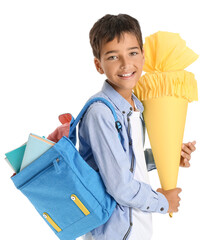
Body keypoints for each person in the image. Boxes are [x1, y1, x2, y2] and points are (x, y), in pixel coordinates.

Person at [49, 14, 196, 240]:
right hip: (115, 234)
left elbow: (127, 163)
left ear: (143, 55)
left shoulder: (135, 106)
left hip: (137, 228)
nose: (126, 64)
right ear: (99, 65)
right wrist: (163, 202)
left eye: (133, 53)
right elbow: (120, 186)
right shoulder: (101, 113)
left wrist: (165, 158)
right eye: (113, 57)